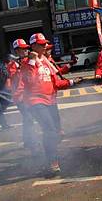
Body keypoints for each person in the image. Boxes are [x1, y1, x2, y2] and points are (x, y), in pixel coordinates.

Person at [21, 33, 81, 175]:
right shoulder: (26, 63)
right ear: (33, 46)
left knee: (55, 132)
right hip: (36, 101)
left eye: (44, 44)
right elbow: (28, 81)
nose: (44, 47)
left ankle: (49, 155)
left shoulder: (47, 62)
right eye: (41, 45)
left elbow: (56, 82)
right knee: (49, 130)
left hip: (50, 100)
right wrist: (32, 62)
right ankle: (52, 162)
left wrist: (72, 82)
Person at [6, 39, 36, 151]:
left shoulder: (25, 61)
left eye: (26, 48)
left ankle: (27, 140)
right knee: (29, 118)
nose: (25, 50)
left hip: (28, 95)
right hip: (20, 96)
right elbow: (15, 77)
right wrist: (20, 65)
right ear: (17, 50)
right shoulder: (12, 64)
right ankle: (31, 142)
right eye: (23, 49)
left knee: (27, 119)